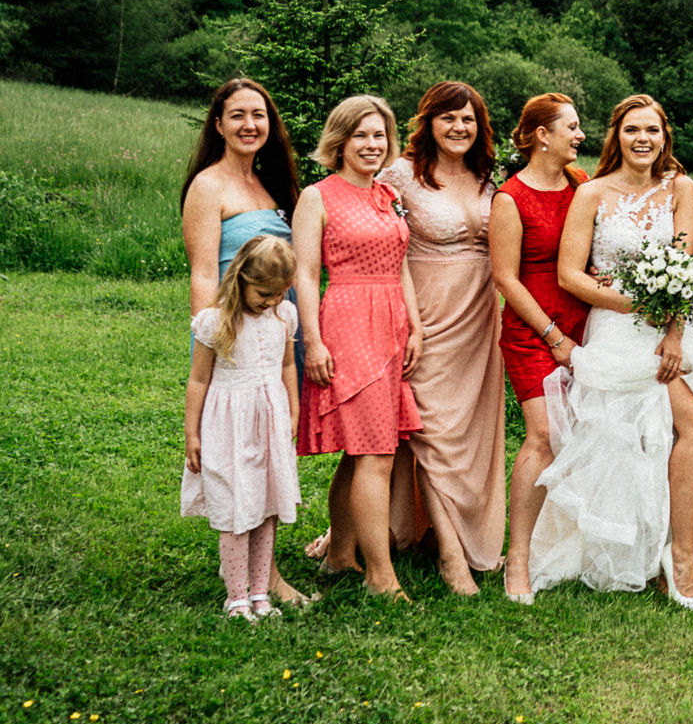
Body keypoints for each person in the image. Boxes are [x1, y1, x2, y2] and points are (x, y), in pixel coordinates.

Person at [533, 96, 693, 607]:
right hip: (615, 326)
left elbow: (684, 267)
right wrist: (632, 302)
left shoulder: (679, 188)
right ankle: (660, 557)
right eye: (632, 129)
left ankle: (678, 555)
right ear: (617, 136)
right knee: (664, 432)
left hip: (672, 327)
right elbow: (569, 275)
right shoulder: (591, 193)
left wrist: (673, 331)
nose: (642, 139)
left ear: (664, 136)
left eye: (652, 129)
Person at [179, 77, 311, 608]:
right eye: (237, 115)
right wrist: (214, 336)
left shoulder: (272, 184)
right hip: (234, 334)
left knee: (270, 447)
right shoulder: (208, 186)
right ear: (218, 124)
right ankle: (264, 578)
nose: (250, 124)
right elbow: (202, 272)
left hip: (276, 328)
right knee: (242, 454)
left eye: (259, 115)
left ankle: (261, 567)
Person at [376, 82, 508, 597]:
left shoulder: (489, 177)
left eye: (468, 119)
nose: (459, 127)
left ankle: (451, 532)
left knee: (468, 433)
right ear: (428, 122)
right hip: (425, 315)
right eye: (448, 118)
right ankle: (452, 556)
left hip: (480, 318)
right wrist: (403, 318)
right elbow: (379, 242)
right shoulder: (400, 174)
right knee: (430, 429)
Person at [294, 94, 424, 601]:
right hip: (348, 322)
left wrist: (415, 327)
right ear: (340, 141)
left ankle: (340, 556)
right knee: (375, 452)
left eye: (379, 136)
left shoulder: (388, 195)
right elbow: (306, 274)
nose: (372, 144)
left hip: (391, 324)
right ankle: (380, 576)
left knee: (361, 451)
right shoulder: (318, 196)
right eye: (361, 135)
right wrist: (313, 342)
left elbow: (402, 264)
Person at [490, 93, 592, 605]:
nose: (580, 135)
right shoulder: (510, 199)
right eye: (571, 127)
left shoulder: (581, 184)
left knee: (582, 433)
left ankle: (571, 544)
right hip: (533, 330)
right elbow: (505, 278)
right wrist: (553, 337)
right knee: (545, 435)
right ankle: (519, 559)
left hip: (584, 322)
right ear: (541, 135)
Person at [182, 236, 303, 621]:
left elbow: (287, 365)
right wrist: (192, 433)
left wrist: (293, 410)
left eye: (279, 294)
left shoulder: (284, 316)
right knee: (236, 508)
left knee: (268, 506)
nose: (271, 302)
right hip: (229, 425)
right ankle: (237, 597)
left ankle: (260, 592)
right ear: (241, 279)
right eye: (263, 294)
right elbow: (198, 380)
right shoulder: (214, 321)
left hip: (269, 421)